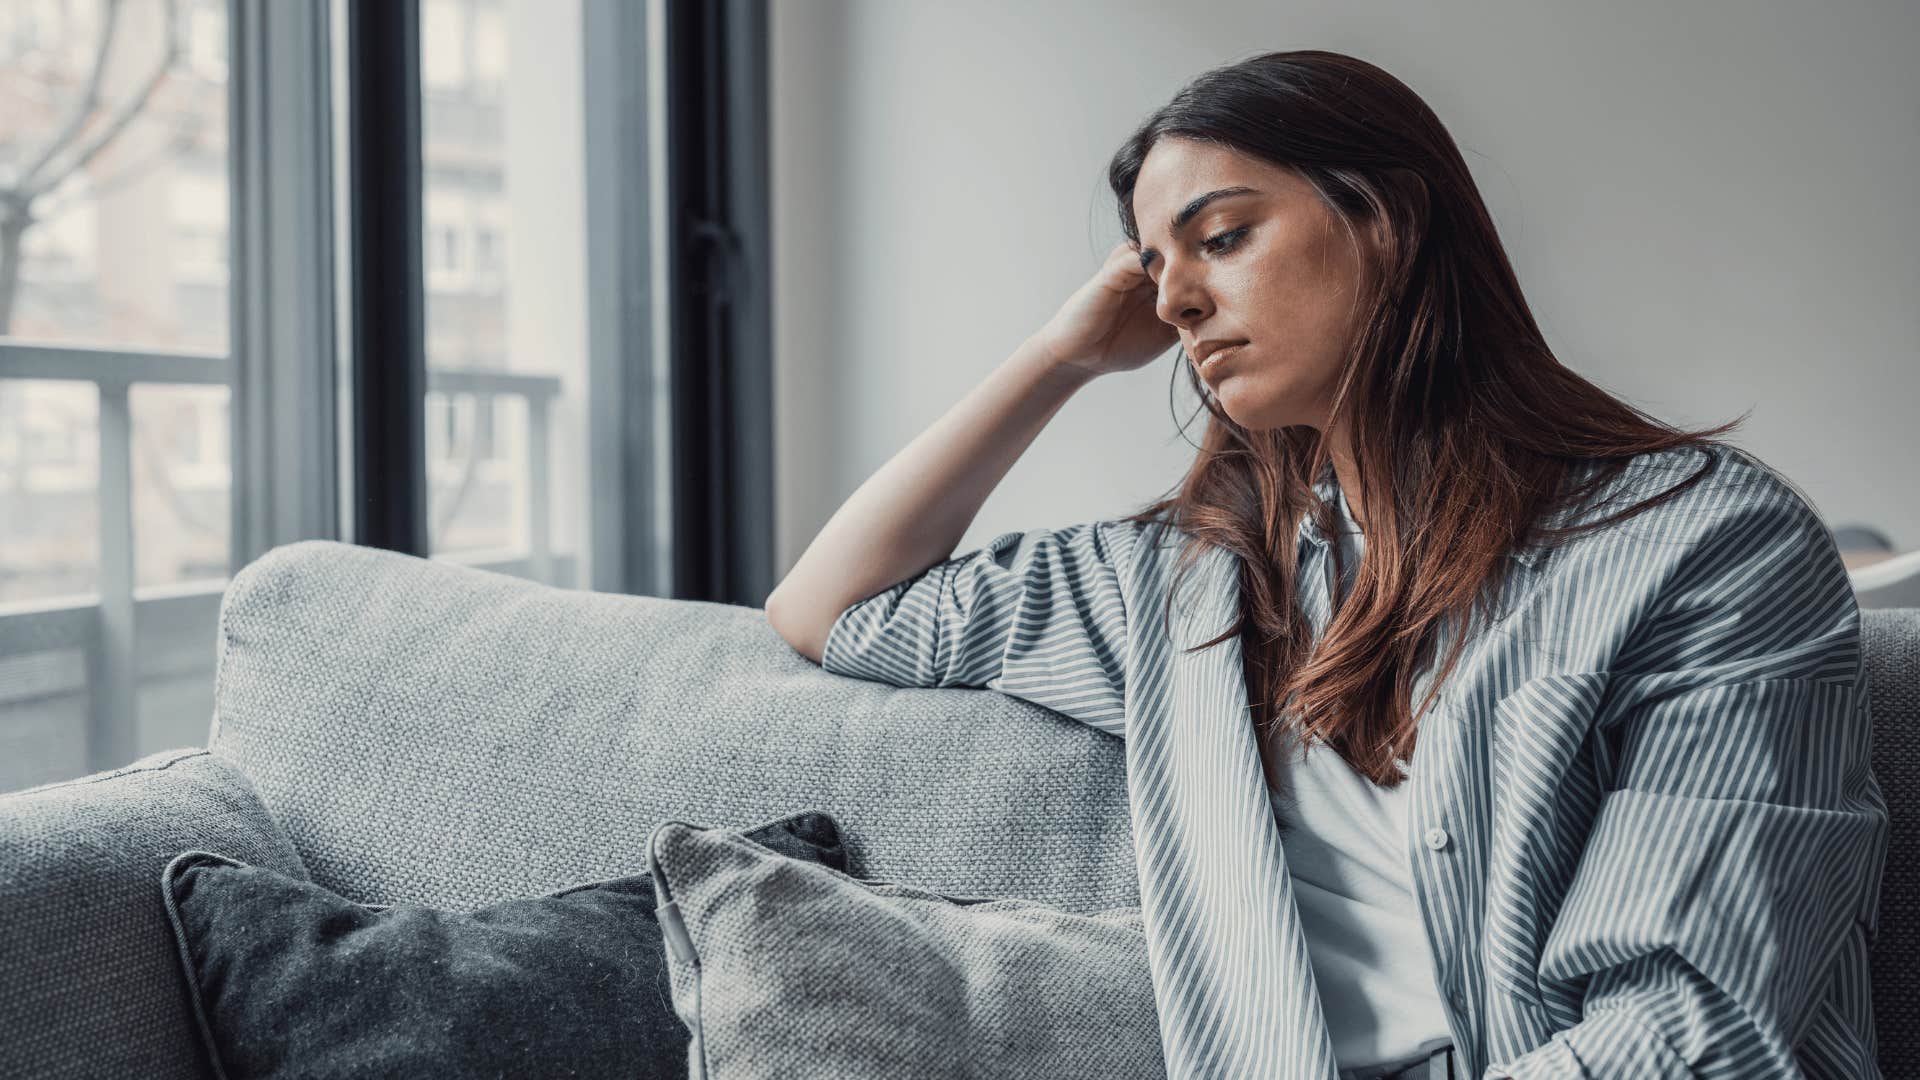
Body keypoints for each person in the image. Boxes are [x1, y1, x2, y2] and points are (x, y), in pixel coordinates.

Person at [766, 49, 1888, 1080]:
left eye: (1221, 237)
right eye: (1153, 270)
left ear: (1387, 219)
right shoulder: (1187, 589)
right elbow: (830, 606)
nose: (1174, 301)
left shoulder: (1705, 546)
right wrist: (1060, 356)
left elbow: (1699, 1027)